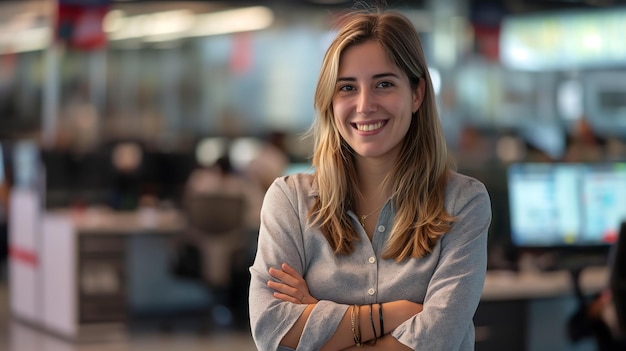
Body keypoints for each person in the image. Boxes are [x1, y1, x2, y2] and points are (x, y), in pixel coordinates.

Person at [249, 9, 491, 351]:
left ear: (417, 93)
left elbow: (438, 339)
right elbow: (270, 330)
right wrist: (395, 315)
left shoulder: (463, 201)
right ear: (331, 101)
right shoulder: (289, 200)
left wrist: (315, 316)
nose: (364, 105)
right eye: (347, 87)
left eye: (384, 84)